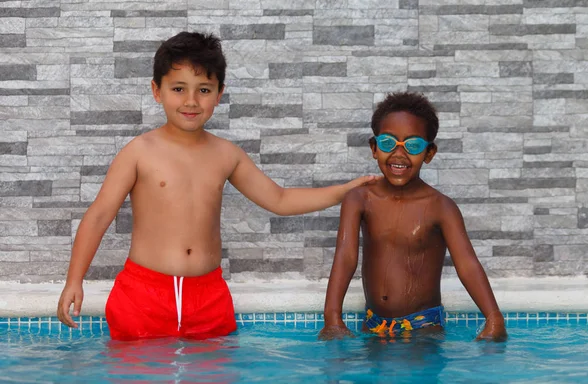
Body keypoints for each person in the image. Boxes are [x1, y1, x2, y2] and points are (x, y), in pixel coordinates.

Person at [56, 31, 378, 341]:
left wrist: (345, 190)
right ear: (157, 91)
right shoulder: (139, 152)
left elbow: (279, 199)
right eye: (179, 89)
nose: (191, 101)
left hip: (208, 299)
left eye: (204, 90)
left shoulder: (226, 155)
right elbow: (99, 215)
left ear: (219, 94)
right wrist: (75, 279)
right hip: (142, 295)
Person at [318, 92, 507, 342]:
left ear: (429, 153)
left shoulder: (441, 207)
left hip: (424, 325)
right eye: (388, 143)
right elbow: (345, 256)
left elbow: (467, 265)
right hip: (374, 324)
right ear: (374, 148)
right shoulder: (359, 199)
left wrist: (494, 318)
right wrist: (332, 318)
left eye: (413, 145)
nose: (399, 154)